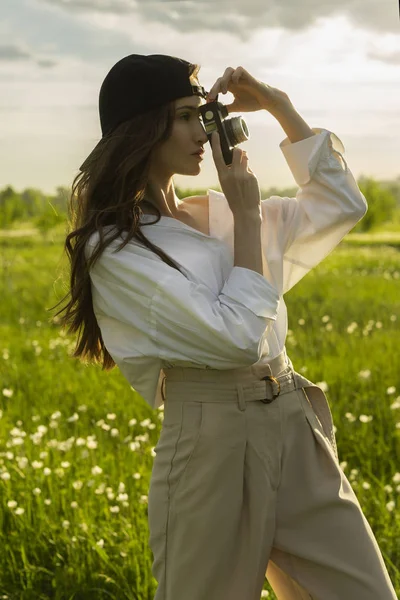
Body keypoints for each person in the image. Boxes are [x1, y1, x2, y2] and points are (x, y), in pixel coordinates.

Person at [54, 54, 398, 600]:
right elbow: (234, 336)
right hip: (210, 441)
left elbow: (340, 203)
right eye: (186, 117)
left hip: (292, 420)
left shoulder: (217, 210)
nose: (201, 132)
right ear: (144, 129)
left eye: (203, 115)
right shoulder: (115, 249)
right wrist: (248, 218)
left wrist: (279, 106)